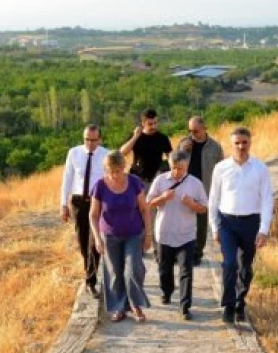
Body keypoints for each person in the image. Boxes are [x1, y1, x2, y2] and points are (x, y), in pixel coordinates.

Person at [208, 127, 273, 324]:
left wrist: (263, 230)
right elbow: (213, 199)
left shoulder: (260, 168)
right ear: (231, 144)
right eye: (237, 143)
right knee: (229, 264)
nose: (241, 146)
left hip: (251, 223)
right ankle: (228, 306)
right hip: (227, 222)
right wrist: (214, 227)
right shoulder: (221, 168)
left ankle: (239, 303)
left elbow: (267, 200)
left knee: (245, 267)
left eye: (244, 142)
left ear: (250, 143)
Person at [90, 151, 153, 323]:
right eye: (110, 171)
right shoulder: (100, 186)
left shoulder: (134, 182)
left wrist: (148, 234)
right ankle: (119, 307)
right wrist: (97, 238)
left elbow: (145, 209)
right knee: (114, 273)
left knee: (134, 269)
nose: (114, 175)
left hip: (133, 233)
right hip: (110, 236)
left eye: (117, 171)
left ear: (123, 167)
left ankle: (136, 306)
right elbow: (93, 215)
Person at [147, 150, 208, 321]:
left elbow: (203, 208)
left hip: (186, 235)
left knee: (186, 271)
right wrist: (163, 198)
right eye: (174, 168)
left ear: (187, 166)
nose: (177, 172)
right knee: (164, 269)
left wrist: (192, 204)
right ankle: (166, 291)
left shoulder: (195, 184)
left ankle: (185, 306)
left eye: (181, 169)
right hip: (164, 233)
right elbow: (149, 203)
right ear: (170, 165)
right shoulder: (160, 180)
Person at [60, 124, 109, 297]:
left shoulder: (106, 155)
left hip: (97, 202)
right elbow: (67, 178)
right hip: (78, 202)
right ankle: (90, 271)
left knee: (94, 242)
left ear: (100, 139)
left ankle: (91, 281)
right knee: (82, 241)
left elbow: (110, 180)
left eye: (93, 140)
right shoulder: (74, 153)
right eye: (86, 139)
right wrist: (63, 205)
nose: (89, 143)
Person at [178, 116, 224, 265]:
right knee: (182, 220)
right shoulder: (184, 143)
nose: (193, 134)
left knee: (201, 224)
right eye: (190, 130)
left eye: (196, 131)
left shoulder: (215, 147)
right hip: (185, 188)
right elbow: (174, 162)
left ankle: (197, 253)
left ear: (204, 128)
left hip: (205, 189)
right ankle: (180, 252)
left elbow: (221, 169)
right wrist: (182, 150)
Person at [120, 108, 173, 186]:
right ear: (143, 123)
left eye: (155, 123)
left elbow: (171, 157)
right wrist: (135, 137)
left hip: (157, 178)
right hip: (139, 179)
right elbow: (122, 152)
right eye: (150, 124)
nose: (153, 126)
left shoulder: (163, 138)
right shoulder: (136, 137)